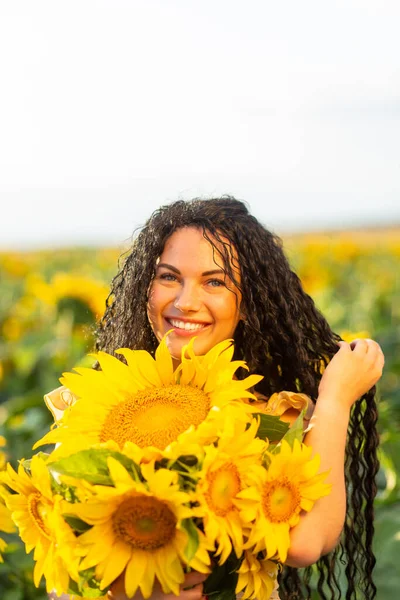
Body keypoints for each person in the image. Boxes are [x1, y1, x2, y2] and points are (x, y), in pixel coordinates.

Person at [50, 197, 384, 600]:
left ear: (247, 304)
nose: (185, 301)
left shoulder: (270, 414)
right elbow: (62, 571)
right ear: (145, 287)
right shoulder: (95, 403)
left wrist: (335, 400)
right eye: (169, 277)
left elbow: (305, 543)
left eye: (215, 282)